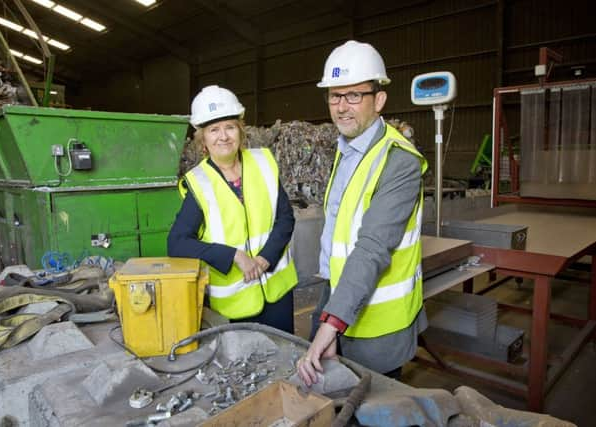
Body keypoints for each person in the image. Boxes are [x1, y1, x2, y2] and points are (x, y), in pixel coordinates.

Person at [297, 40, 428, 385]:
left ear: (379, 99)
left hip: (378, 324)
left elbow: (372, 247)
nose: (342, 107)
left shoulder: (399, 161)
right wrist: (329, 315)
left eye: (354, 95)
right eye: (334, 96)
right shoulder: (347, 149)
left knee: (374, 409)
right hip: (338, 297)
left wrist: (332, 323)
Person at [168, 85, 298, 333]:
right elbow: (177, 243)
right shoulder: (199, 183)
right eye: (214, 130)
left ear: (240, 130)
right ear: (203, 139)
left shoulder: (264, 163)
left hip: (278, 293)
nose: (223, 136)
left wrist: (264, 259)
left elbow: (285, 218)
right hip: (235, 305)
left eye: (229, 127)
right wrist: (234, 256)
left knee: (285, 359)